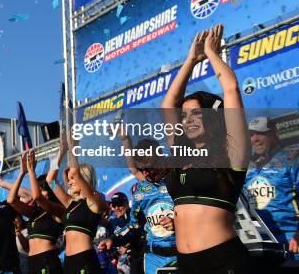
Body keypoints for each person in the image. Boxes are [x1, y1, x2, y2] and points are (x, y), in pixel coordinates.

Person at [161, 24, 251, 274]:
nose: (187, 119)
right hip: (186, 264)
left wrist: (212, 54)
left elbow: (231, 89)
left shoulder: (232, 152)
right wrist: (191, 60)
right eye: (185, 115)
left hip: (224, 263)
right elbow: (169, 103)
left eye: (196, 114)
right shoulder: (181, 153)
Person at [245, 116, 299, 260]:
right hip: (258, 245)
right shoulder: (248, 166)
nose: (255, 138)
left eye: (260, 133)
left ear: (275, 134)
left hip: (293, 244)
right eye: (251, 134)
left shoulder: (296, 158)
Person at [114, 137, 177, 274]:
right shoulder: (141, 190)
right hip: (153, 258)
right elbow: (133, 225)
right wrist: (113, 239)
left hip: (182, 252)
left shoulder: (177, 178)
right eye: (142, 169)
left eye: (148, 167)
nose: (146, 173)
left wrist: (178, 222)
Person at [49, 132, 108, 274]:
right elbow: (50, 181)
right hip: (69, 262)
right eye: (68, 179)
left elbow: (75, 171)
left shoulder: (95, 199)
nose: (69, 182)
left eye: (72, 178)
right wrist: (62, 151)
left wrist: (73, 148)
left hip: (85, 260)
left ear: (84, 178)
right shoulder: (71, 203)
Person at [7, 150, 65, 274]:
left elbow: (37, 197)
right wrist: (22, 173)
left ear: (48, 192)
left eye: (39, 188)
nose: (34, 192)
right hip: (32, 261)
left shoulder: (58, 210)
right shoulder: (35, 212)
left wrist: (32, 171)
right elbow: (11, 200)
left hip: (47, 259)